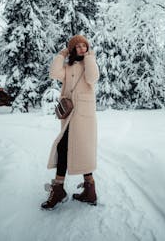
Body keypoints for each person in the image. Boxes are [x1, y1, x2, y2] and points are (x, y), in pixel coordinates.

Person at [41, 35, 99, 210]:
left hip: (84, 115)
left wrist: (89, 57)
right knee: (66, 147)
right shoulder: (68, 67)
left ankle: (63, 189)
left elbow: (92, 78)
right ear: (73, 49)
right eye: (78, 46)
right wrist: (62, 53)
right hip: (69, 114)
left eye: (84, 46)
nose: (82, 48)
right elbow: (53, 73)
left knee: (80, 148)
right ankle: (87, 190)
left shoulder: (90, 62)